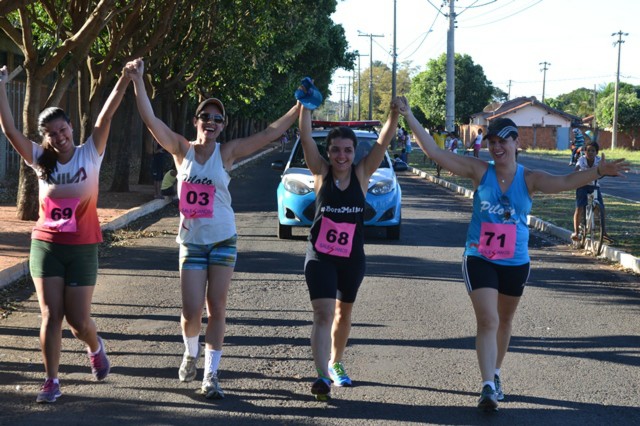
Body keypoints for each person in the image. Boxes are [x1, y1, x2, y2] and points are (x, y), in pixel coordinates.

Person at [395, 97, 629, 412]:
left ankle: (496, 373)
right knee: (488, 319)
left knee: (504, 320)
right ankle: (487, 386)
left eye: (502, 141)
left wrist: (599, 170)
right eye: (491, 142)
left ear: (516, 142)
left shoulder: (530, 179)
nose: (496, 147)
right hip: (479, 257)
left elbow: (565, 181)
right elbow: (434, 152)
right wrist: (409, 114)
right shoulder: (479, 171)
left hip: (515, 262)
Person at [125, 58, 300, 400]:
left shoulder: (228, 152)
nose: (212, 122)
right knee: (191, 310)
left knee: (216, 308)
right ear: (197, 121)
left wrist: (298, 107)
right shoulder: (182, 149)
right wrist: (138, 81)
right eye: (206, 116)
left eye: (218, 119)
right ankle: (190, 352)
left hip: (223, 239)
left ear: (223, 125)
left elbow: (268, 134)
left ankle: (211, 374)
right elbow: (151, 120)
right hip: (191, 242)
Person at [0, 65, 131, 403]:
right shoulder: (41, 159)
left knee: (77, 319)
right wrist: (0, 85)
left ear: (71, 127)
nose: (59, 137)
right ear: (46, 137)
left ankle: (95, 345)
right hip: (45, 245)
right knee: (50, 314)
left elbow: (105, 113)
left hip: (83, 246)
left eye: (63, 130)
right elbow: (11, 129)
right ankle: (51, 380)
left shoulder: (91, 152)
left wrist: (125, 78)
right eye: (52, 134)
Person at [298, 99, 400, 401]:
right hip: (320, 256)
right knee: (323, 313)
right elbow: (305, 135)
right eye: (336, 150)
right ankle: (321, 377)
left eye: (347, 150)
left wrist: (394, 115)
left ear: (355, 153)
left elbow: (384, 140)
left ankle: (336, 362)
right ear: (328, 153)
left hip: (352, 258)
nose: (341, 156)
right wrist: (305, 106)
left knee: (343, 314)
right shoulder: (320, 171)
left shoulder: (362, 174)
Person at [571, 141, 613, 243]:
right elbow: (576, 169)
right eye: (588, 150)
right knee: (579, 207)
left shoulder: (599, 161)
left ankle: (603, 232)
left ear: (596, 152)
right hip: (582, 185)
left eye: (593, 151)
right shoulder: (581, 160)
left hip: (594, 186)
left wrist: (604, 172)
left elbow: (604, 171)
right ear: (585, 152)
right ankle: (576, 232)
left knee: (601, 208)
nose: (590, 152)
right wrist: (577, 174)